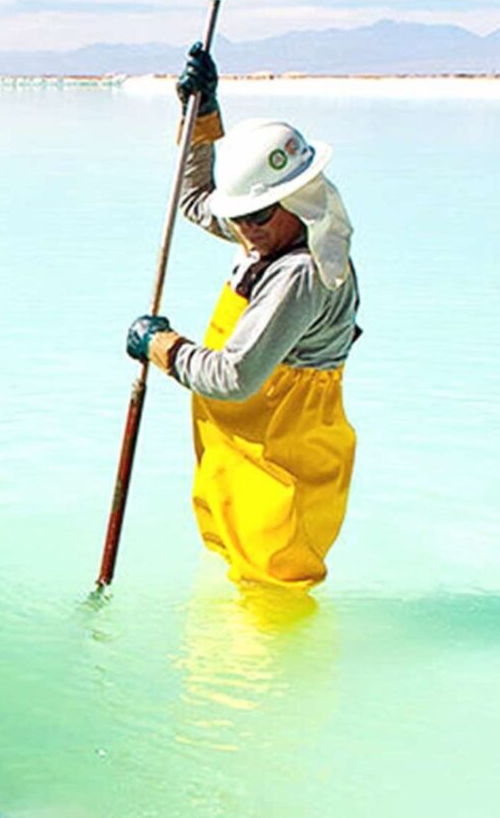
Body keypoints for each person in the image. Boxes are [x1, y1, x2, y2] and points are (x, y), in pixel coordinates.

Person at [127, 46, 361, 590]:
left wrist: (161, 346)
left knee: (273, 577)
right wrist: (202, 115)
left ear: (295, 198)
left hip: (284, 442)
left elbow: (234, 378)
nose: (243, 231)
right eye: (238, 219)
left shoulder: (299, 273)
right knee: (236, 563)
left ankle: (269, 673)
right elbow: (195, 201)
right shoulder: (270, 229)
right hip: (247, 437)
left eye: (254, 217)